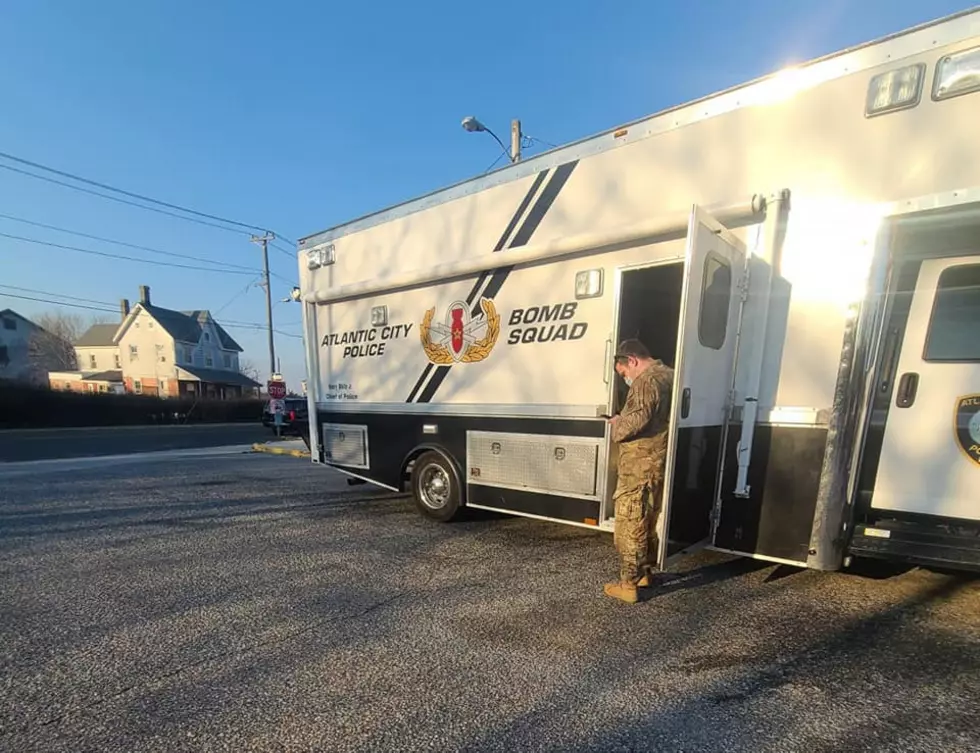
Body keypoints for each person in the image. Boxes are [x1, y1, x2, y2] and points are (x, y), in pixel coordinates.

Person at [604, 338, 674, 603]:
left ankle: (628, 584)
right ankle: (644, 572)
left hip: (639, 467)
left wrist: (617, 422)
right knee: (647, 517)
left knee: (630, 520)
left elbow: (629, 426)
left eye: (624, 373)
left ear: (632, 360)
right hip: (657, 462)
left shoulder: (646, 382)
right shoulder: (669, 375)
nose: (626, 379)